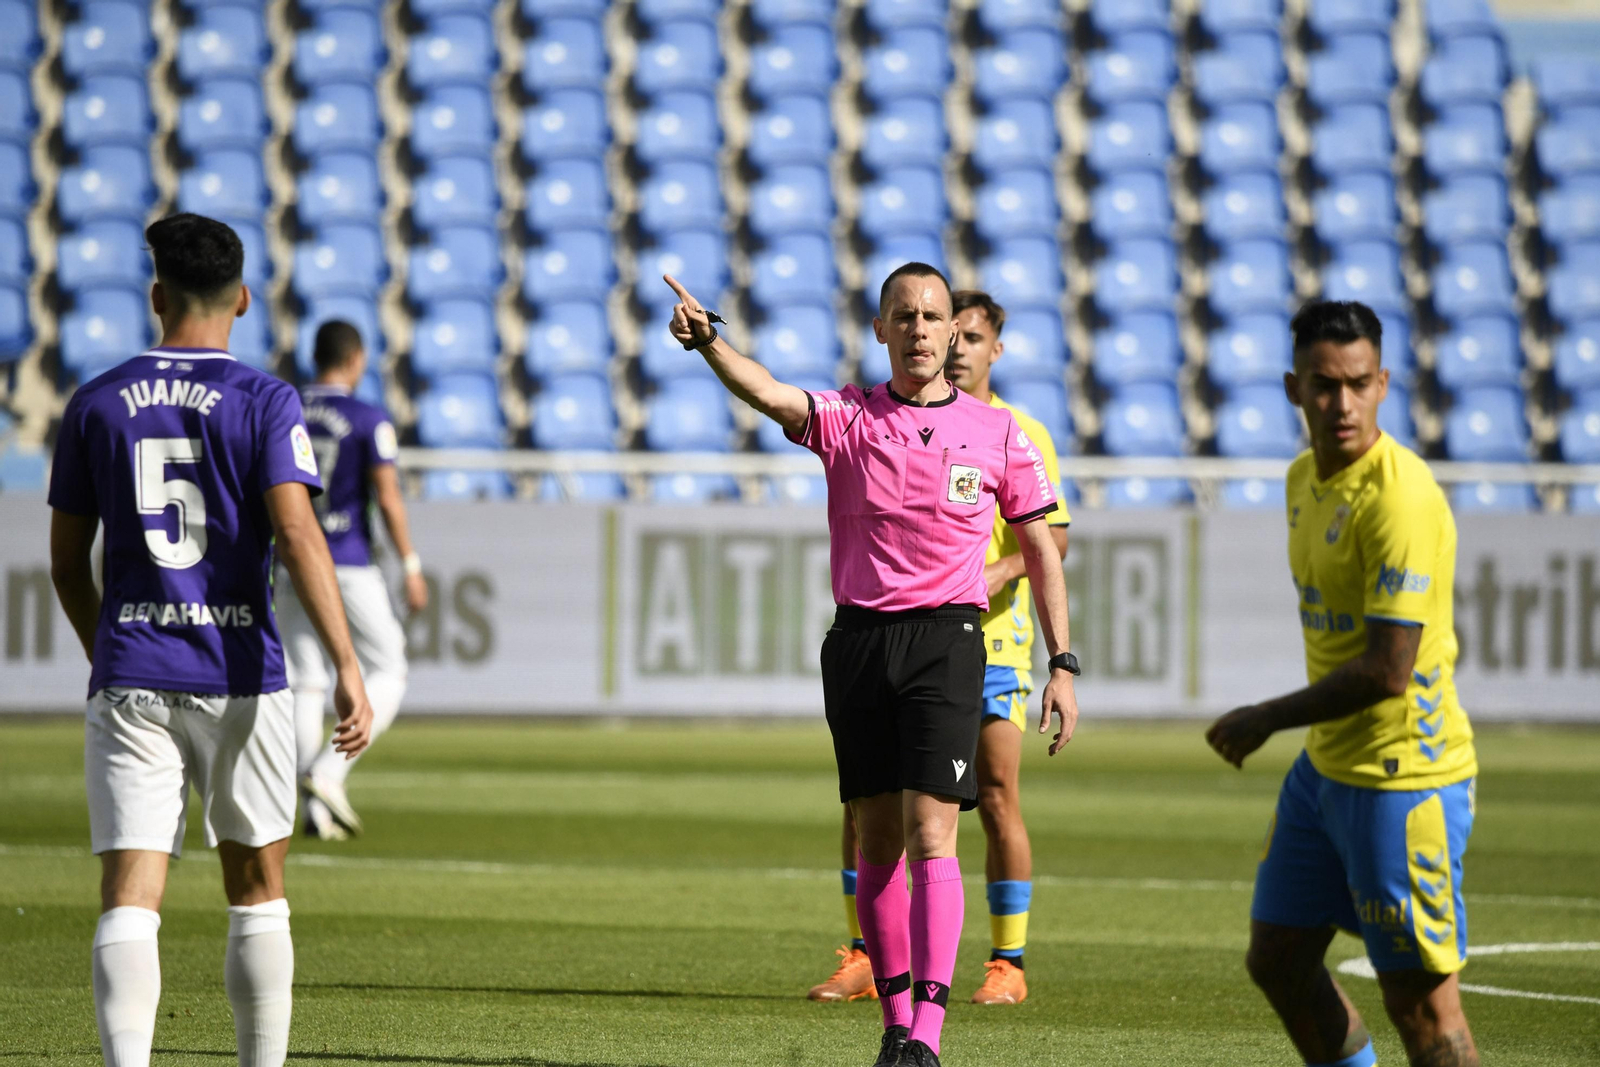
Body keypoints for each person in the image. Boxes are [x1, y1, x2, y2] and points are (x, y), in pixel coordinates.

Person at [664, 264, 1081, 1067]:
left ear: (954, 330)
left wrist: (1061, 660)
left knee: (934, 837)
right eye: (906, 315)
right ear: (882, 329)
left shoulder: (999, 433)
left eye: (934, 316)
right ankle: (894, 1024)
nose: (922, 329)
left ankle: (926, 1033)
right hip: (859, 642)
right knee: (876, 840)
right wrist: (712, 344)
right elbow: (771, 392)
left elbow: (1042, 549)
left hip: (948, 642)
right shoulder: (849, 417)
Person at [47, 212, 373, 1067]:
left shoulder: (97, 400)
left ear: (156, 297)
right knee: (258, 893)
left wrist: (109, 649)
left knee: (129, 895)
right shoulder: (265, 399)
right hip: (242, 675)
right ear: (245, 299)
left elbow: (65, 564)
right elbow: (299, 537)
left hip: (133, 674)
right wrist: (346, 664)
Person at [1206, 300, 1479, 1067]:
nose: (1343, 403)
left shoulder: (1401, 495)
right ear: (1295, 388)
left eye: (1359, 383)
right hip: (1328, 770)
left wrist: (1265, 715)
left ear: (1384, 382)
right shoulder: (1303, 479)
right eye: (1325, 385)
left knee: (1423, 1006)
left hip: (1405, 775)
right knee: (1280, 955)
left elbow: (1391, 670)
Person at [809, 290, 1070, 1008]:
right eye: (942, 333)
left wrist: (994, 583)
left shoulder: (1015, 431)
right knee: (868, 812)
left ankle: (1005, 959)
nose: (955, 347)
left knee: (988, 796)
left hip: (990, 640)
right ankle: (869, 954)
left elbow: (1053, 542)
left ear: (989, 345)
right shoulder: (892, 418)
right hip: (895, 635)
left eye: (972, 336)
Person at [278, 320, 426, 840]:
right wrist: (409, 563)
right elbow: (387, 497)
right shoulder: (367, 417)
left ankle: (313, 809)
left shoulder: (283, 407)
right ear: (356, 358)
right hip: (345, 558)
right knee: (390, 668)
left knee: (304, 680)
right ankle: (326, 773)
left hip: (291, 558)